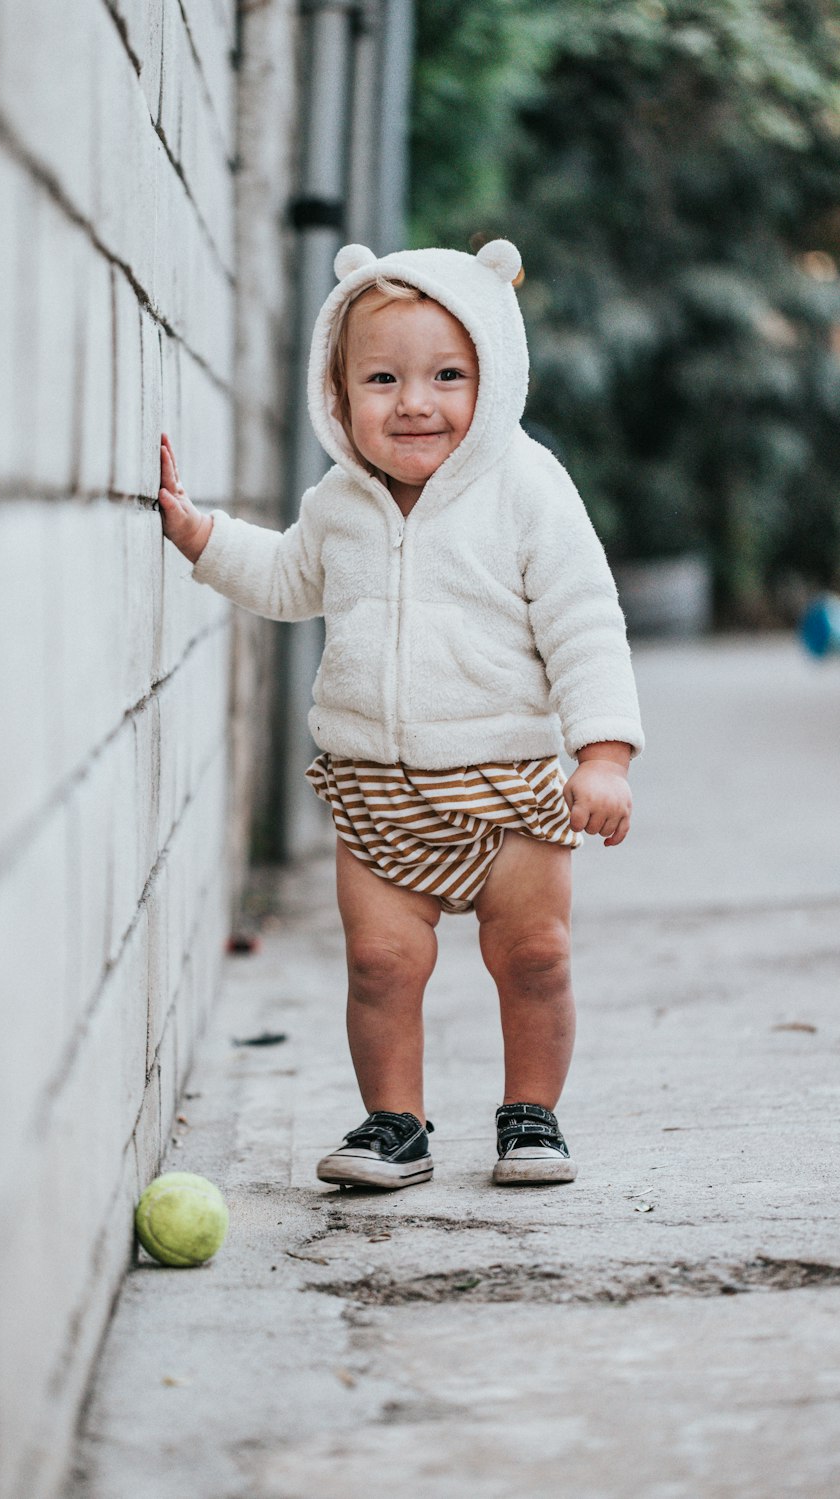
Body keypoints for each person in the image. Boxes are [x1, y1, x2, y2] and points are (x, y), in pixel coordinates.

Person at [157, 240, 643, 1191]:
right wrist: (200, 536)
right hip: (376, 789)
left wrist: (605, 754)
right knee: (380, 963)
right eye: (382, 378)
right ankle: (395, 1124)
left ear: (494, 376)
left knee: (535, 957)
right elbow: (290, 577)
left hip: (509, 783)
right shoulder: (339, 503)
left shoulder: (527, 487)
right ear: (338, 397)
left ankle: (532, 1115)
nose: (415, 401)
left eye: (447, 376)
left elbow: (586, 619)